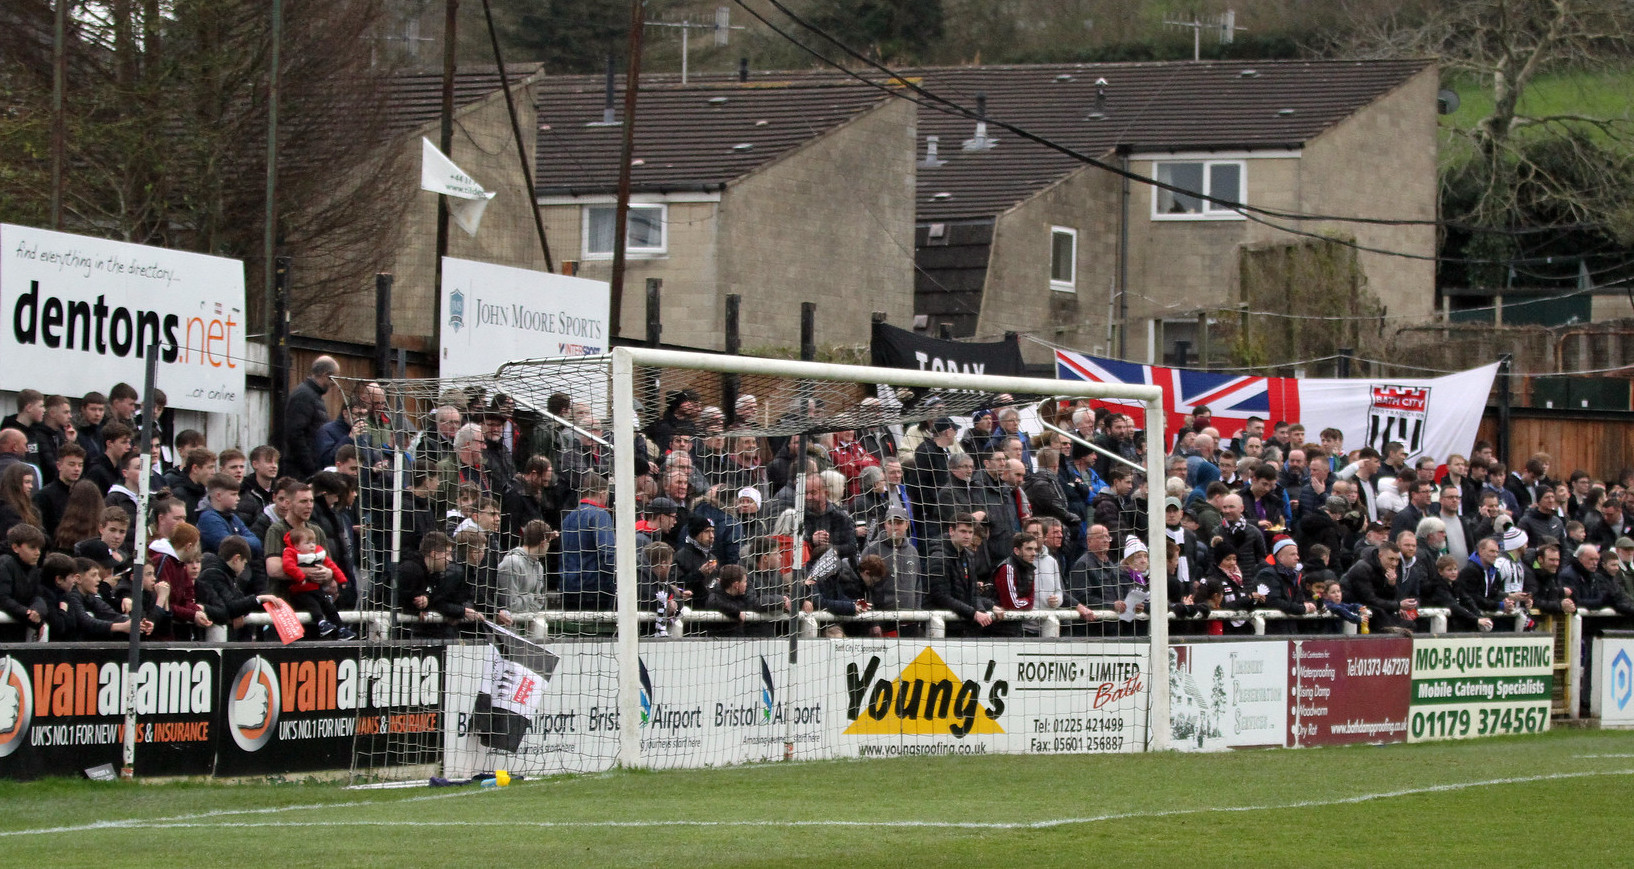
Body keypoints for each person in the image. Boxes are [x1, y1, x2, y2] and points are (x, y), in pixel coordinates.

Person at [927, 514, 998, 634]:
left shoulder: (969, 556)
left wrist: (981, 610)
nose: (967, 536)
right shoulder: (939, 557)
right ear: (951, 531)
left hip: (963, 626)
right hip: (943, 627)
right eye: (963, 531)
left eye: (970, 532)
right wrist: (973, 614)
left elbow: (973, 594)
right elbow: (940, 596)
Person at [280, 525, 354, 639]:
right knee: (313, 606)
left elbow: (331, 566)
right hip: (301, 591)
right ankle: (321, 623)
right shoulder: (291, 553)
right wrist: (301, 577)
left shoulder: (318, 554)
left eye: (313, 542)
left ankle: (341, 628)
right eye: (307, 543)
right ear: (297, 546)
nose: (312, 546)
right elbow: (288, 566)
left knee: (330, 607)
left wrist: (342, 580)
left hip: (317, 589)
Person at [561, 473, 616, 611]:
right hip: (594, 589)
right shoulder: (600, 515)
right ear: (602, 493)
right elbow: (607, 551)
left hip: (568, 588)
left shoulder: (569, 517)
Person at [284, 356, 339, 479]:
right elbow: (295, 434)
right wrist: (311, 469)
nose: (334, 384)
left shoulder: (312, 396)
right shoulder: (304, 396)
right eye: (334, 379)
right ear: (326, 375)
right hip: (301, 471)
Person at [0, 523, 47, 642]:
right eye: (32, 547)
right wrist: (28, 614)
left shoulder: (34, 569)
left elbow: (38, 596)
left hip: (17, 632)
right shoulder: (5, 564)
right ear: (15, 548)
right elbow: (3, 599)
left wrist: (36, 610)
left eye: (39, 548)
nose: (38, 552)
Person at [497, 519, 551, 619]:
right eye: (549, 542)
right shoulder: (512, 563)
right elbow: (511, 605)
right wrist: (531, 597)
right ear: (543, 543)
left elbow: (539, 601)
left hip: (528, 622)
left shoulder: (539, 567)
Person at [32, 443, 86, 539]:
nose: (77, 469)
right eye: (72, 464)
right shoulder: (44, 496)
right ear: (59, 466)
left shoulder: (84, 494)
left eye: (80, 465)